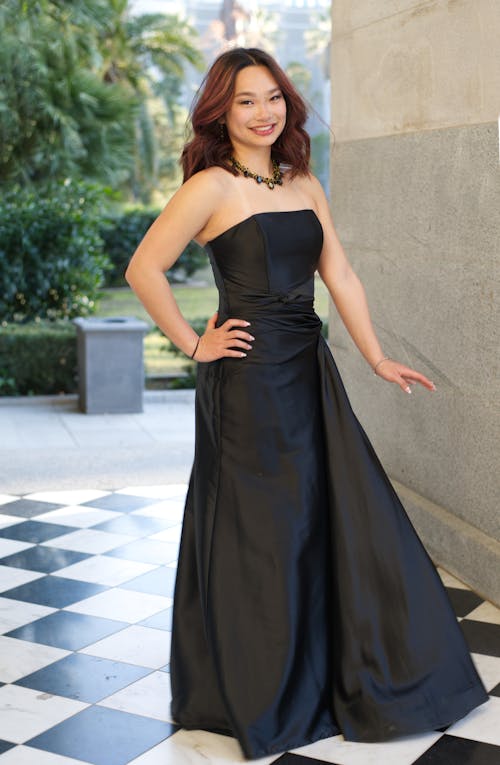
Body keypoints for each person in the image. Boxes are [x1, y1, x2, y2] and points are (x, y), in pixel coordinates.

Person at [125, 48, 488, 761]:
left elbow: (340, 271)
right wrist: (194, 343)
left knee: (325, 523)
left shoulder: (302, 181)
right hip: (247, 383)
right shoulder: (210, 186)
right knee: (263, 534)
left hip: (308, 373)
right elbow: (144, 267)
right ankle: (264, 696)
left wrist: (376, 355)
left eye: (274, 98)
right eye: (245, 102)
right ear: (220, 114)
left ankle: (330, 678)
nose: (264, 113)